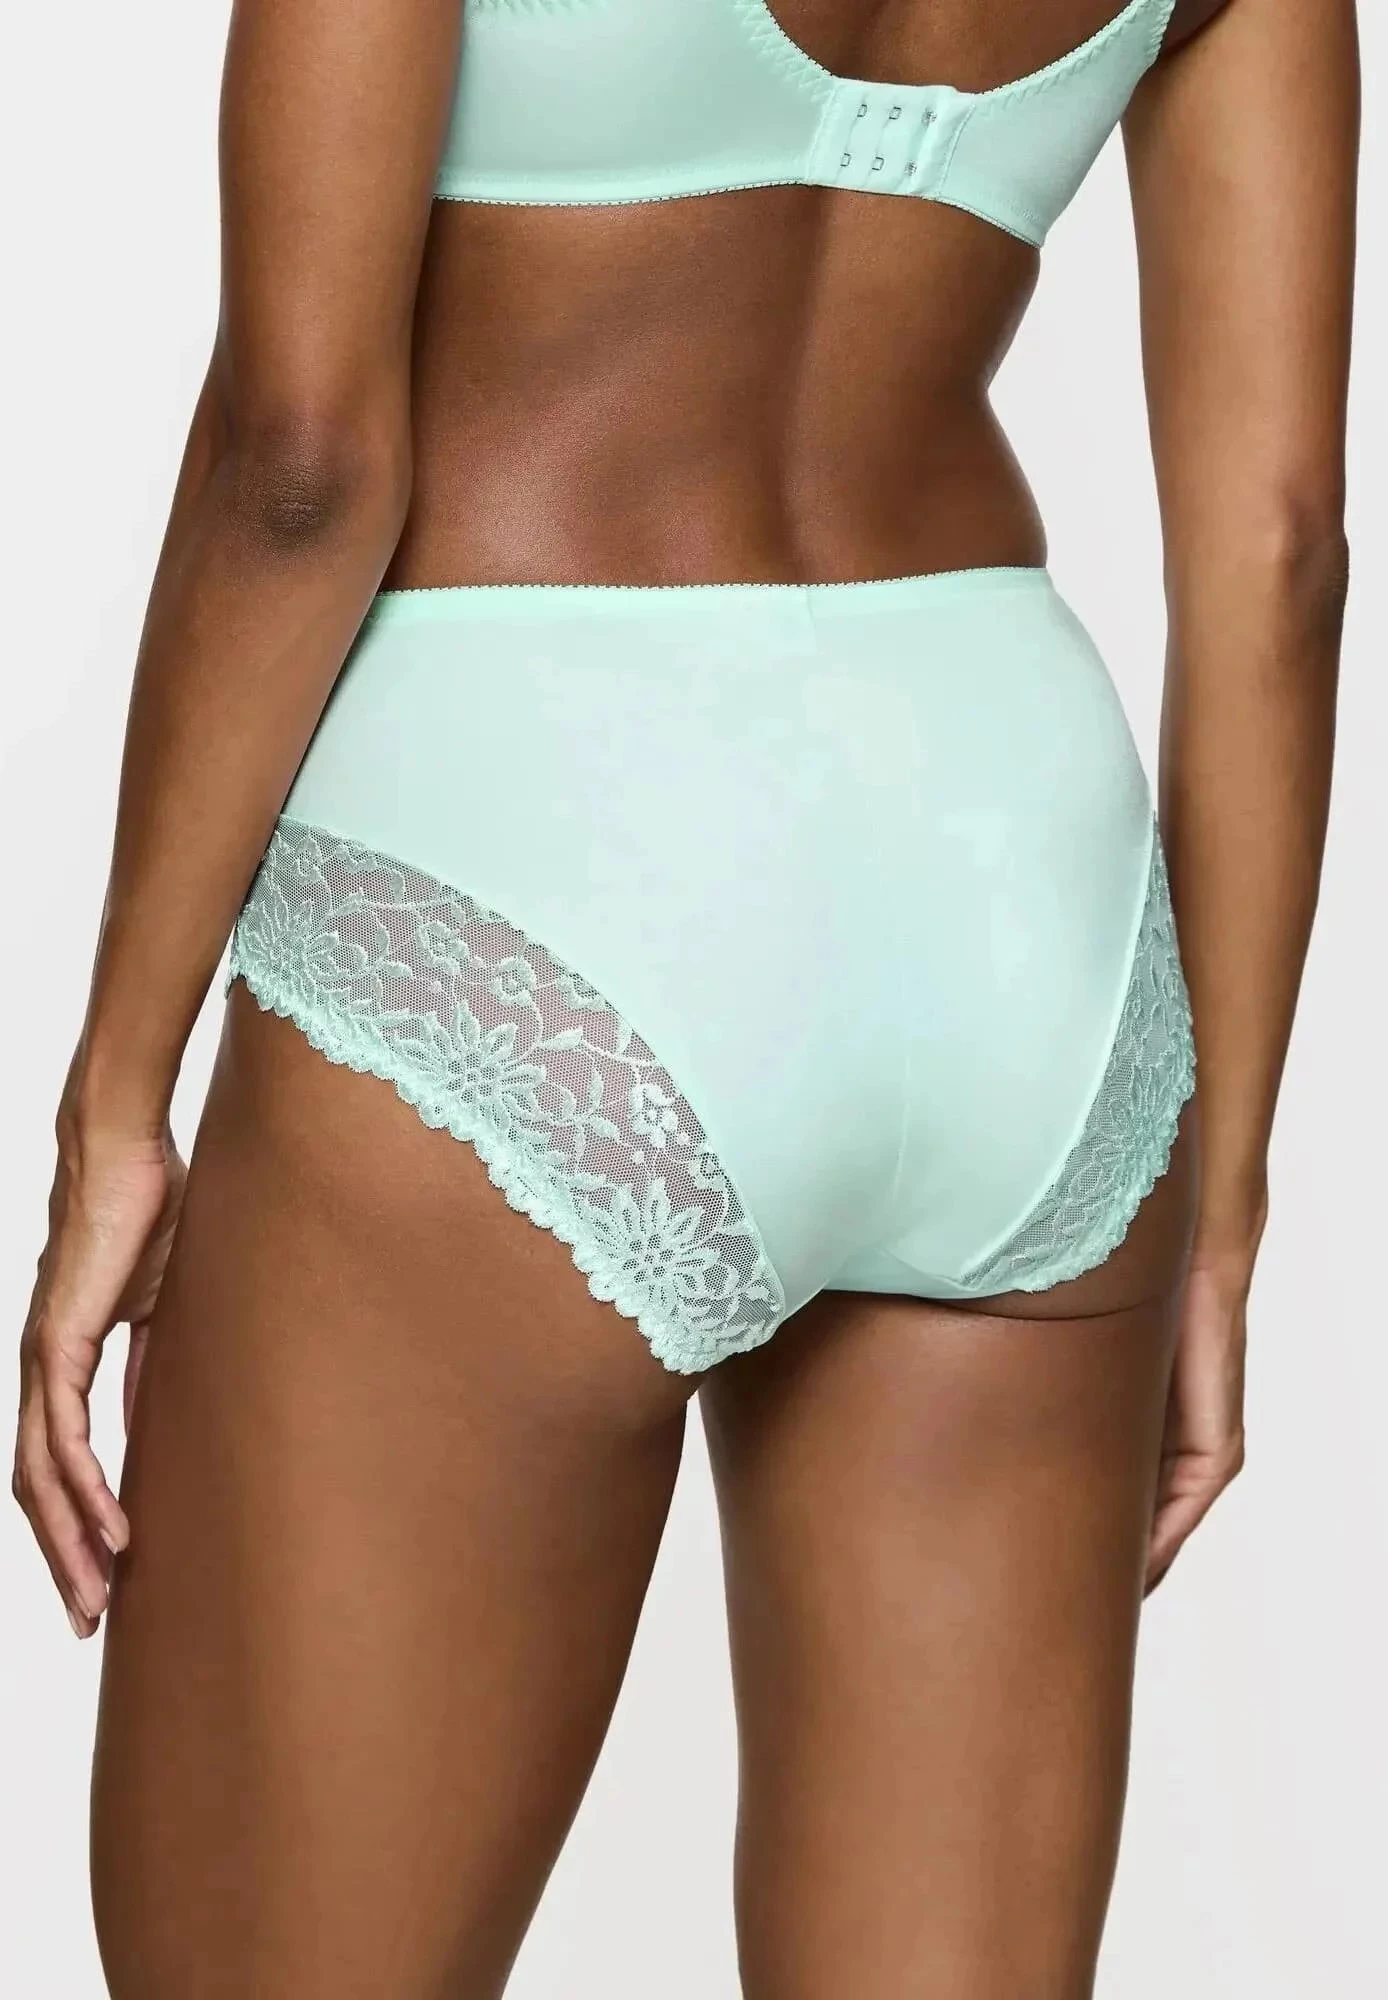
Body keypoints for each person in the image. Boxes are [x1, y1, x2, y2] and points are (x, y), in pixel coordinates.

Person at [12, 1, 1356, 1994]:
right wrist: (1218, 1200)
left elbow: (298, 464)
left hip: (528, 838)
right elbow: (1280, 554)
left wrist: (115, 1101)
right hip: (1021, 906)